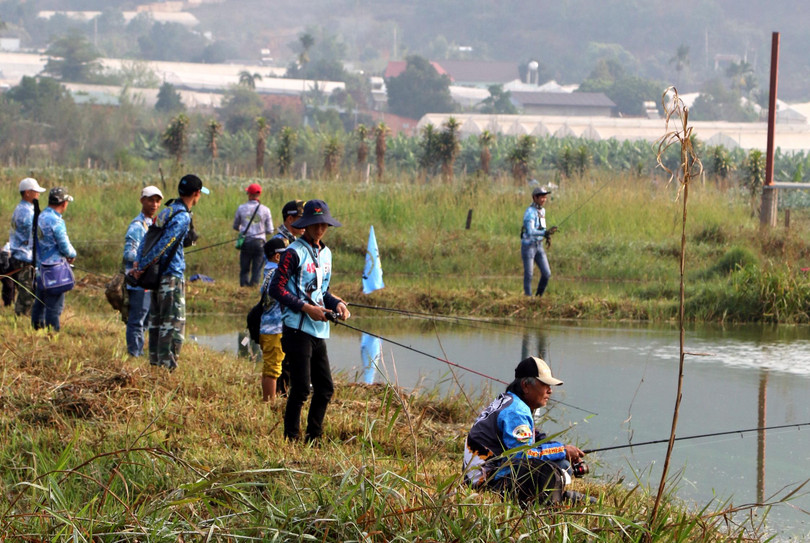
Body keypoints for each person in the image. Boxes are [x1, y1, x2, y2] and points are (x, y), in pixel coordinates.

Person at [268, 199, 350, 443]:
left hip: (318, 330)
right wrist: (306, 308)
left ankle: (314, 437)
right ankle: (291, 438)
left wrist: (337, 304)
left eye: (324, 224)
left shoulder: (326, 254)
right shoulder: (293, 253)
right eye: (315, 224)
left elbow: (321, 291)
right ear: (306, 225)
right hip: (296, 328)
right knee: (302, 387)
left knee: (325, 388)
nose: (320, 229)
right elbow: (276, 288)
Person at [463, 356, 591, 506]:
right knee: (561, 466)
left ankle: (559, 496)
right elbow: (522, 456)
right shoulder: (516, 411)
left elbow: (533, 438)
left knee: (558, 462)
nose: (550, 391)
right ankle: (556, 498)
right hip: (488, 484)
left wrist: (561, 449)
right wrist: (562, 451)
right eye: (545, 385)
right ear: (525, 385)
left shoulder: (508, 400)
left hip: (476, 477)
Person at [134, 174, 208, 371]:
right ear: (196, 193)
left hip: (158, 277)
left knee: (157, 323)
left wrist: (139, 262)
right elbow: (164, 245)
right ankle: (167, 369)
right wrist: (141, 267)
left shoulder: (167, 210)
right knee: (173, 325)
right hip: (171, 277)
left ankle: (155, 366)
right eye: (200, 194)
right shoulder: (182, 217)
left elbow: (148, 237)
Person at [123, 185, 163, 357]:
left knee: (146, 320)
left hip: (149, 281)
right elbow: (128, 253)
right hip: (138, 282)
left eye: (157, 201)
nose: (154, 204)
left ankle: (139, 352)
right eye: (150, 200)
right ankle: (134, 354)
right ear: (142, 201)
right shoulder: (137, 226)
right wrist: (148, 258)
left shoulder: (153, 224)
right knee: (137, 321)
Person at [31, 187, 77, 331]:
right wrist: (72, 254)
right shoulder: (56, 221)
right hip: (55, 270)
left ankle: (36, 329)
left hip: (40, 267)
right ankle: (52, 334)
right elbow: (65, 246)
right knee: (54, 306)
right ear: (63, 203)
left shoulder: (41, 216)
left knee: (40, 301)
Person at [272, 199, 304, 395]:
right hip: (281, 307)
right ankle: (281, 392)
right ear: (290, 219)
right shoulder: (281, 244)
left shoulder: (295, 242)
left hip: (292, 305)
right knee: (283, 354)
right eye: (301, 218)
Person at [7, 177, 47, 315]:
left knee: (28, 290)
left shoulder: (27, 209)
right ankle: (20, 317)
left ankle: (22, 316)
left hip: (24, 255)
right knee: (27, 292)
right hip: (23, 256)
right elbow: (36, 233)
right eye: (35, 191)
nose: (38, 194)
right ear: (27, 193)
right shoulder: (25, 212)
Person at [258, 237, 289, 402]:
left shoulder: (268, 271)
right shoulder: (277, 274)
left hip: (266, 328)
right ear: (277, 257)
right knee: (273, 370)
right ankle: (269, 403)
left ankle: (268, 400)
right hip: (275, 329)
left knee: (269, 367)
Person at [233, 183, 273, 287]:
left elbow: (235, 226)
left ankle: (244, 286)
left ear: (249, 194)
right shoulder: (266, 210)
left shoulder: (241, 208)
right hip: (260, 243)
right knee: (257, 268)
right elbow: (270, 230)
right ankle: (253, 287)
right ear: (259, 195)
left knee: (244, 268)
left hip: (246, 242)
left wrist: (242, 230)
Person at [521, 186, 557, 297]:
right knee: (529, 274)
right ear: (535, 198)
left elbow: (541, 228)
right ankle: (528, 297)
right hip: (528, 246)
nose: (544, 200)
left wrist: (547, 235)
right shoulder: (530, 213)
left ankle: (538, 297)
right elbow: (530, 231)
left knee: (547, 273)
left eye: (545, 197)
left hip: (539, 246)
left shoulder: (542, 211)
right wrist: (544, 233)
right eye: (541, 197)